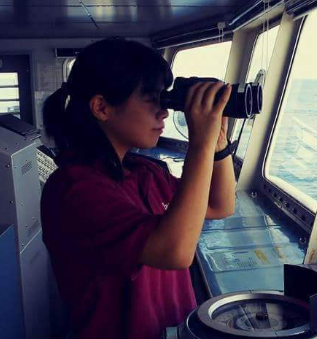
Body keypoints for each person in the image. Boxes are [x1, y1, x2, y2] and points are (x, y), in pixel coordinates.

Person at [40, 37, 235, 339]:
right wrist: (200, 142)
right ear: (102, 107)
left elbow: (220, 205)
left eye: (164, 98)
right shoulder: (73, 189)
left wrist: (218, 143)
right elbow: (176, 252)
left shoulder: (144, 173)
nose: (164, 112)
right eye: (151, 98)